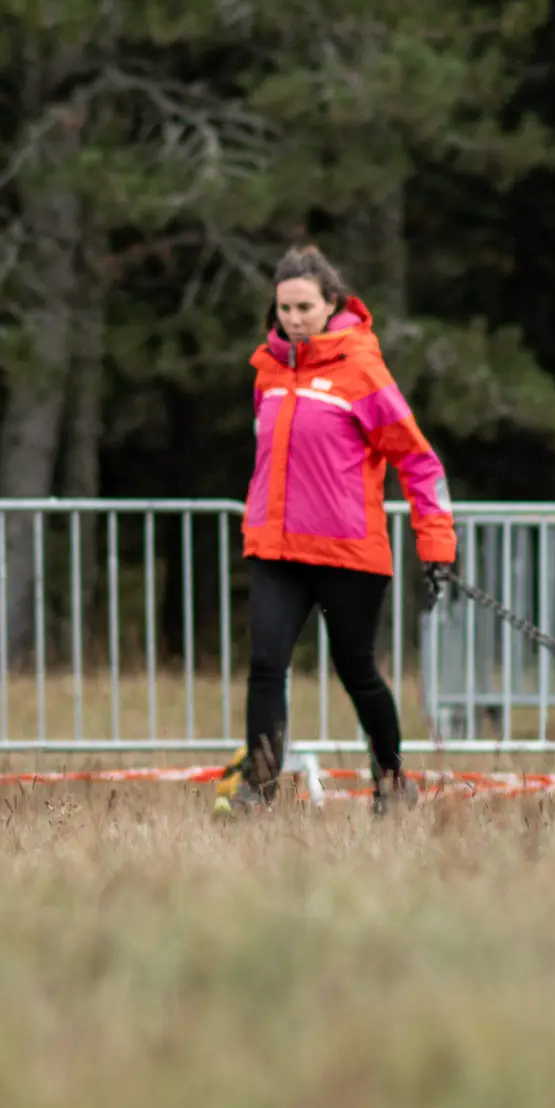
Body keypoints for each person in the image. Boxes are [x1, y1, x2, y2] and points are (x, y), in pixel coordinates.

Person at [227, 245, 457, 817]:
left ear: (332, 304)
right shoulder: (268, 373)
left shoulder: (362, 370)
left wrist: (437, 544)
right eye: (284, 309)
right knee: (265, 666)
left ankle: (392, 780)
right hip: (276, 548)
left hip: (348, 553)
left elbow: (420, 462)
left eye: (304, 306)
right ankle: (259, 788)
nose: (294, 319)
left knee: (357, 672)